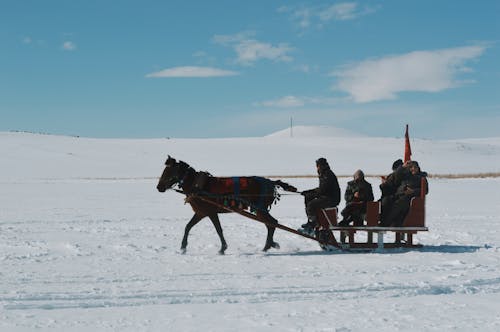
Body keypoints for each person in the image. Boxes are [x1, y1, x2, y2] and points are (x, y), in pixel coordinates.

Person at [380, 161, 428, 227]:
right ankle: (379, 219)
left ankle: (386, 223)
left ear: (418, 168)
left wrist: (413, 191)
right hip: (398, 195)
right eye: (411, 167)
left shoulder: (421, 178)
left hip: (409, 198)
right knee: (386, 200)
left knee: (399, 203)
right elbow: (396, 176)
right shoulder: (406, 175)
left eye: (415, 167)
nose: (413, 169)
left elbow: (425, 190)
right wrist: (402, 167)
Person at [299, 158, 341, 235]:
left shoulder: (327, 174)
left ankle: (312, 225)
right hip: (328, 197)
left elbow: (322, 190)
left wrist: (311, 194)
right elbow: (321, 189)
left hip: (332, 199)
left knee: (311, 205)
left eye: (317, 166)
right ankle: (311, 221)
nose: (317, 168)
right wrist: (308, 192)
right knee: (308, 198)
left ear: (321, 166)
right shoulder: (324, 173)